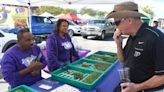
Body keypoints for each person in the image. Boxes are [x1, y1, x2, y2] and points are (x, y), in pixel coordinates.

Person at [106, 1, 164, 92]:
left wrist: (137, 87)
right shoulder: (132, 37)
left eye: (116, 23)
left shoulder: (155, 37)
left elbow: (162, 77)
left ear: (129, 20)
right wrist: (118, 44)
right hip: (131, 86)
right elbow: (123, 61)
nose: (116, 28)